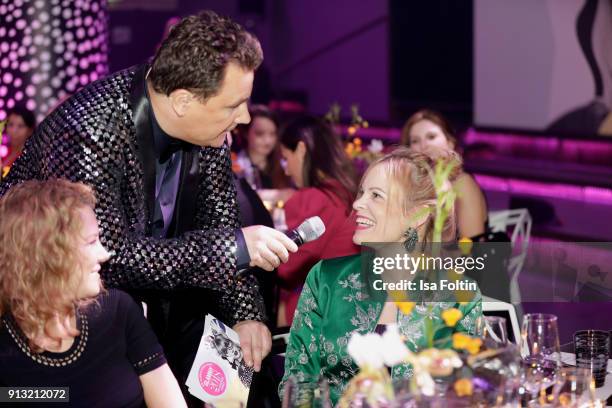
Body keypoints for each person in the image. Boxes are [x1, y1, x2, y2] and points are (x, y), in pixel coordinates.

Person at [0, 11, 298, 406]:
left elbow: (222, 220)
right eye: (235, 105)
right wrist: (233, 249)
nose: (243, 117)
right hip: (50, 320)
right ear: (182, 101)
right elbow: (109, 254)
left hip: (151, 312)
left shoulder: (207, 128)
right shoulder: (89, 129)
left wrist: (244, 314)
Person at [279, 148, 482, 405]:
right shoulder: (326, 279)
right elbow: (297, 382)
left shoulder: (459, 296)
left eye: (376, 195)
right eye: (362, 192)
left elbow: (466, 392)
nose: (357, 204)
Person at [0, 179, 186, 407]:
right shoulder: (6, 351)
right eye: (91, 242)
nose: (104, 254)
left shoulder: (118, 310)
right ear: (47, 255)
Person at [277, 114, 361, 326]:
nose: (285, 169)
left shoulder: (314, 198)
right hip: (350, 304)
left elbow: (286, 269)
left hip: (317, 313)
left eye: (286, 158)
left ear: (302, 149)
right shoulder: (346, 192)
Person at [401, 109, 488, 240]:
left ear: (450, 143)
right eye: (415, 141)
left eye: (431, 137)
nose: (424, 146)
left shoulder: (462, 183)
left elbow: (473, 252)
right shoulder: (412, 185)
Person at [234, 104, 290, 190]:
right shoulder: (236, 166)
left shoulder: (284, 166)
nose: (267, 141)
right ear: (246, 133)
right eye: (260, 134)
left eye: (272, 134)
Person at [1, 106, 35, 178]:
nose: (14, 131)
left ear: (30, 130)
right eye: (11, 124)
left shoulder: (30, 158)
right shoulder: (3, 153)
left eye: (20, 126)